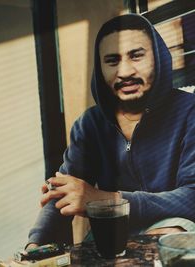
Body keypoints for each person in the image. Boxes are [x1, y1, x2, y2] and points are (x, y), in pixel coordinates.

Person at [27, 14, 195, 249]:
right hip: (111, 234)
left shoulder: (190, 111)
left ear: (158, 57)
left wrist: (105, 200)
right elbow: (63, 192)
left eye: (136, 56)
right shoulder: (89, 125)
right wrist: (33, 248)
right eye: (112, 60)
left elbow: (192, 197)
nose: (125, 71)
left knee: (170, 236)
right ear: (100, 68)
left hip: (176, 232)